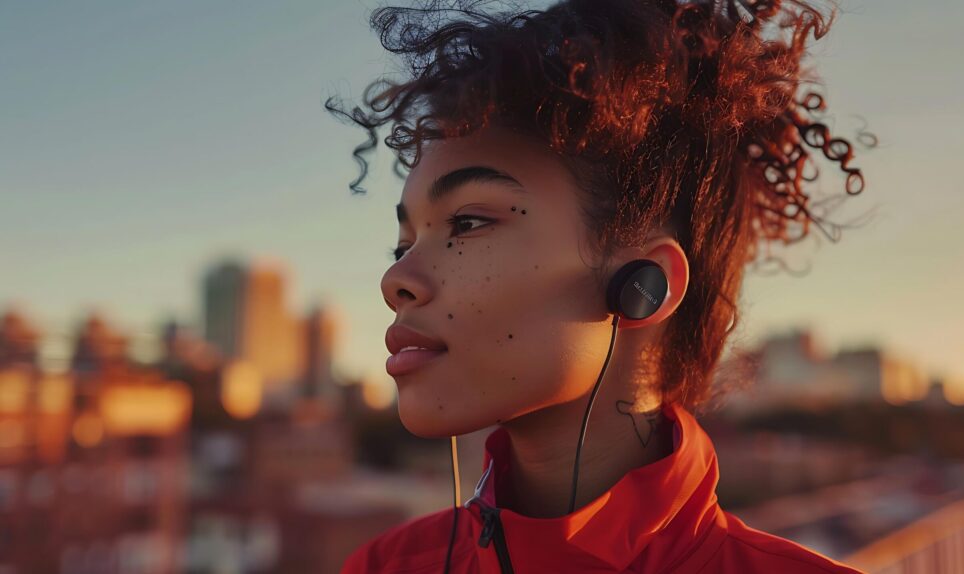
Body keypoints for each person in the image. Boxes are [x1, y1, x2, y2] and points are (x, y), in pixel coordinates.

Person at [327, 0, 876, 572]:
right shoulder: (386, 565)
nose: (396, 280)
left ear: (645, 285)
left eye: (467, 223)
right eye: (404, 244)